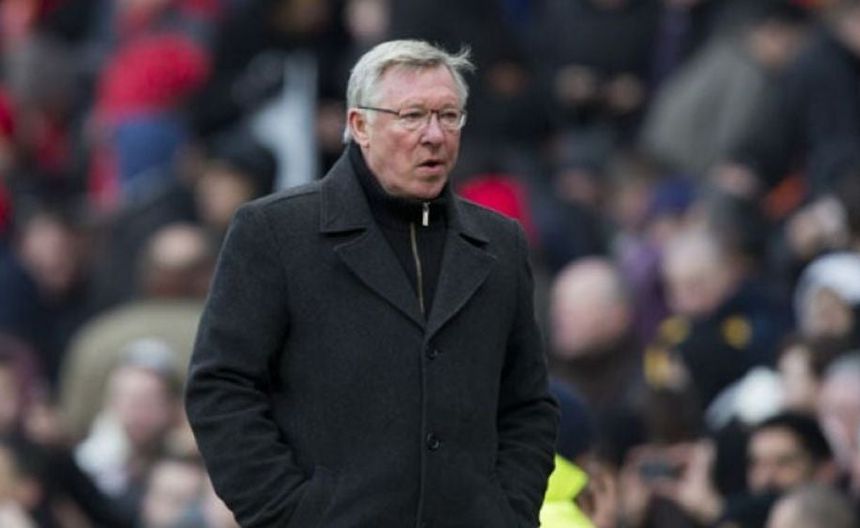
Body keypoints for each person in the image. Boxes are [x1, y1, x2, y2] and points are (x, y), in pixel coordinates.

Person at [185, 39, 559, 527]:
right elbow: (222, 388)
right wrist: (291, 515)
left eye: (449, 116)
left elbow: (528, 404)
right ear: (360, 126)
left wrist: (507, 512)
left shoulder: (501, 242)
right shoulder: (276, 231)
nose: (434, 135)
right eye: (412, 116)